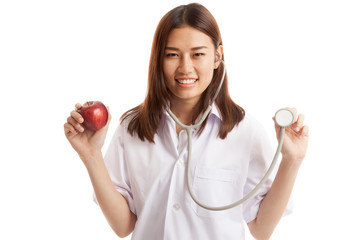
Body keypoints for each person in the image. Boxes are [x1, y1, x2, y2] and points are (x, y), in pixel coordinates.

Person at [64, 3, 309, 240]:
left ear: (217, 57)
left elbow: (261, 229)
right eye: (172, 55)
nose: (185, 67)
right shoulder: (132, 128)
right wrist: (91, 155)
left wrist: (292, 160)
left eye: (198, 54)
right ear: (158, 60)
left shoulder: (245, 130)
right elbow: (123, 226)